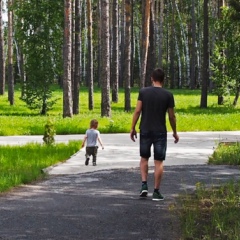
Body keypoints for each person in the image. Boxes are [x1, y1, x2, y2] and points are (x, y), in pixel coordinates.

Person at [130, 68, 179, 201]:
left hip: (145, 130)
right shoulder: (168, 95)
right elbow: (171, 116)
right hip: (160, 132)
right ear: (164, 79)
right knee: (159, 162)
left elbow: (137, 111)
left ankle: (144, 185)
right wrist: (174, 132)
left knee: (144, 158)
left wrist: (132, 128)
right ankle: (156, 192)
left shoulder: (143, 92)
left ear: (152, 78)